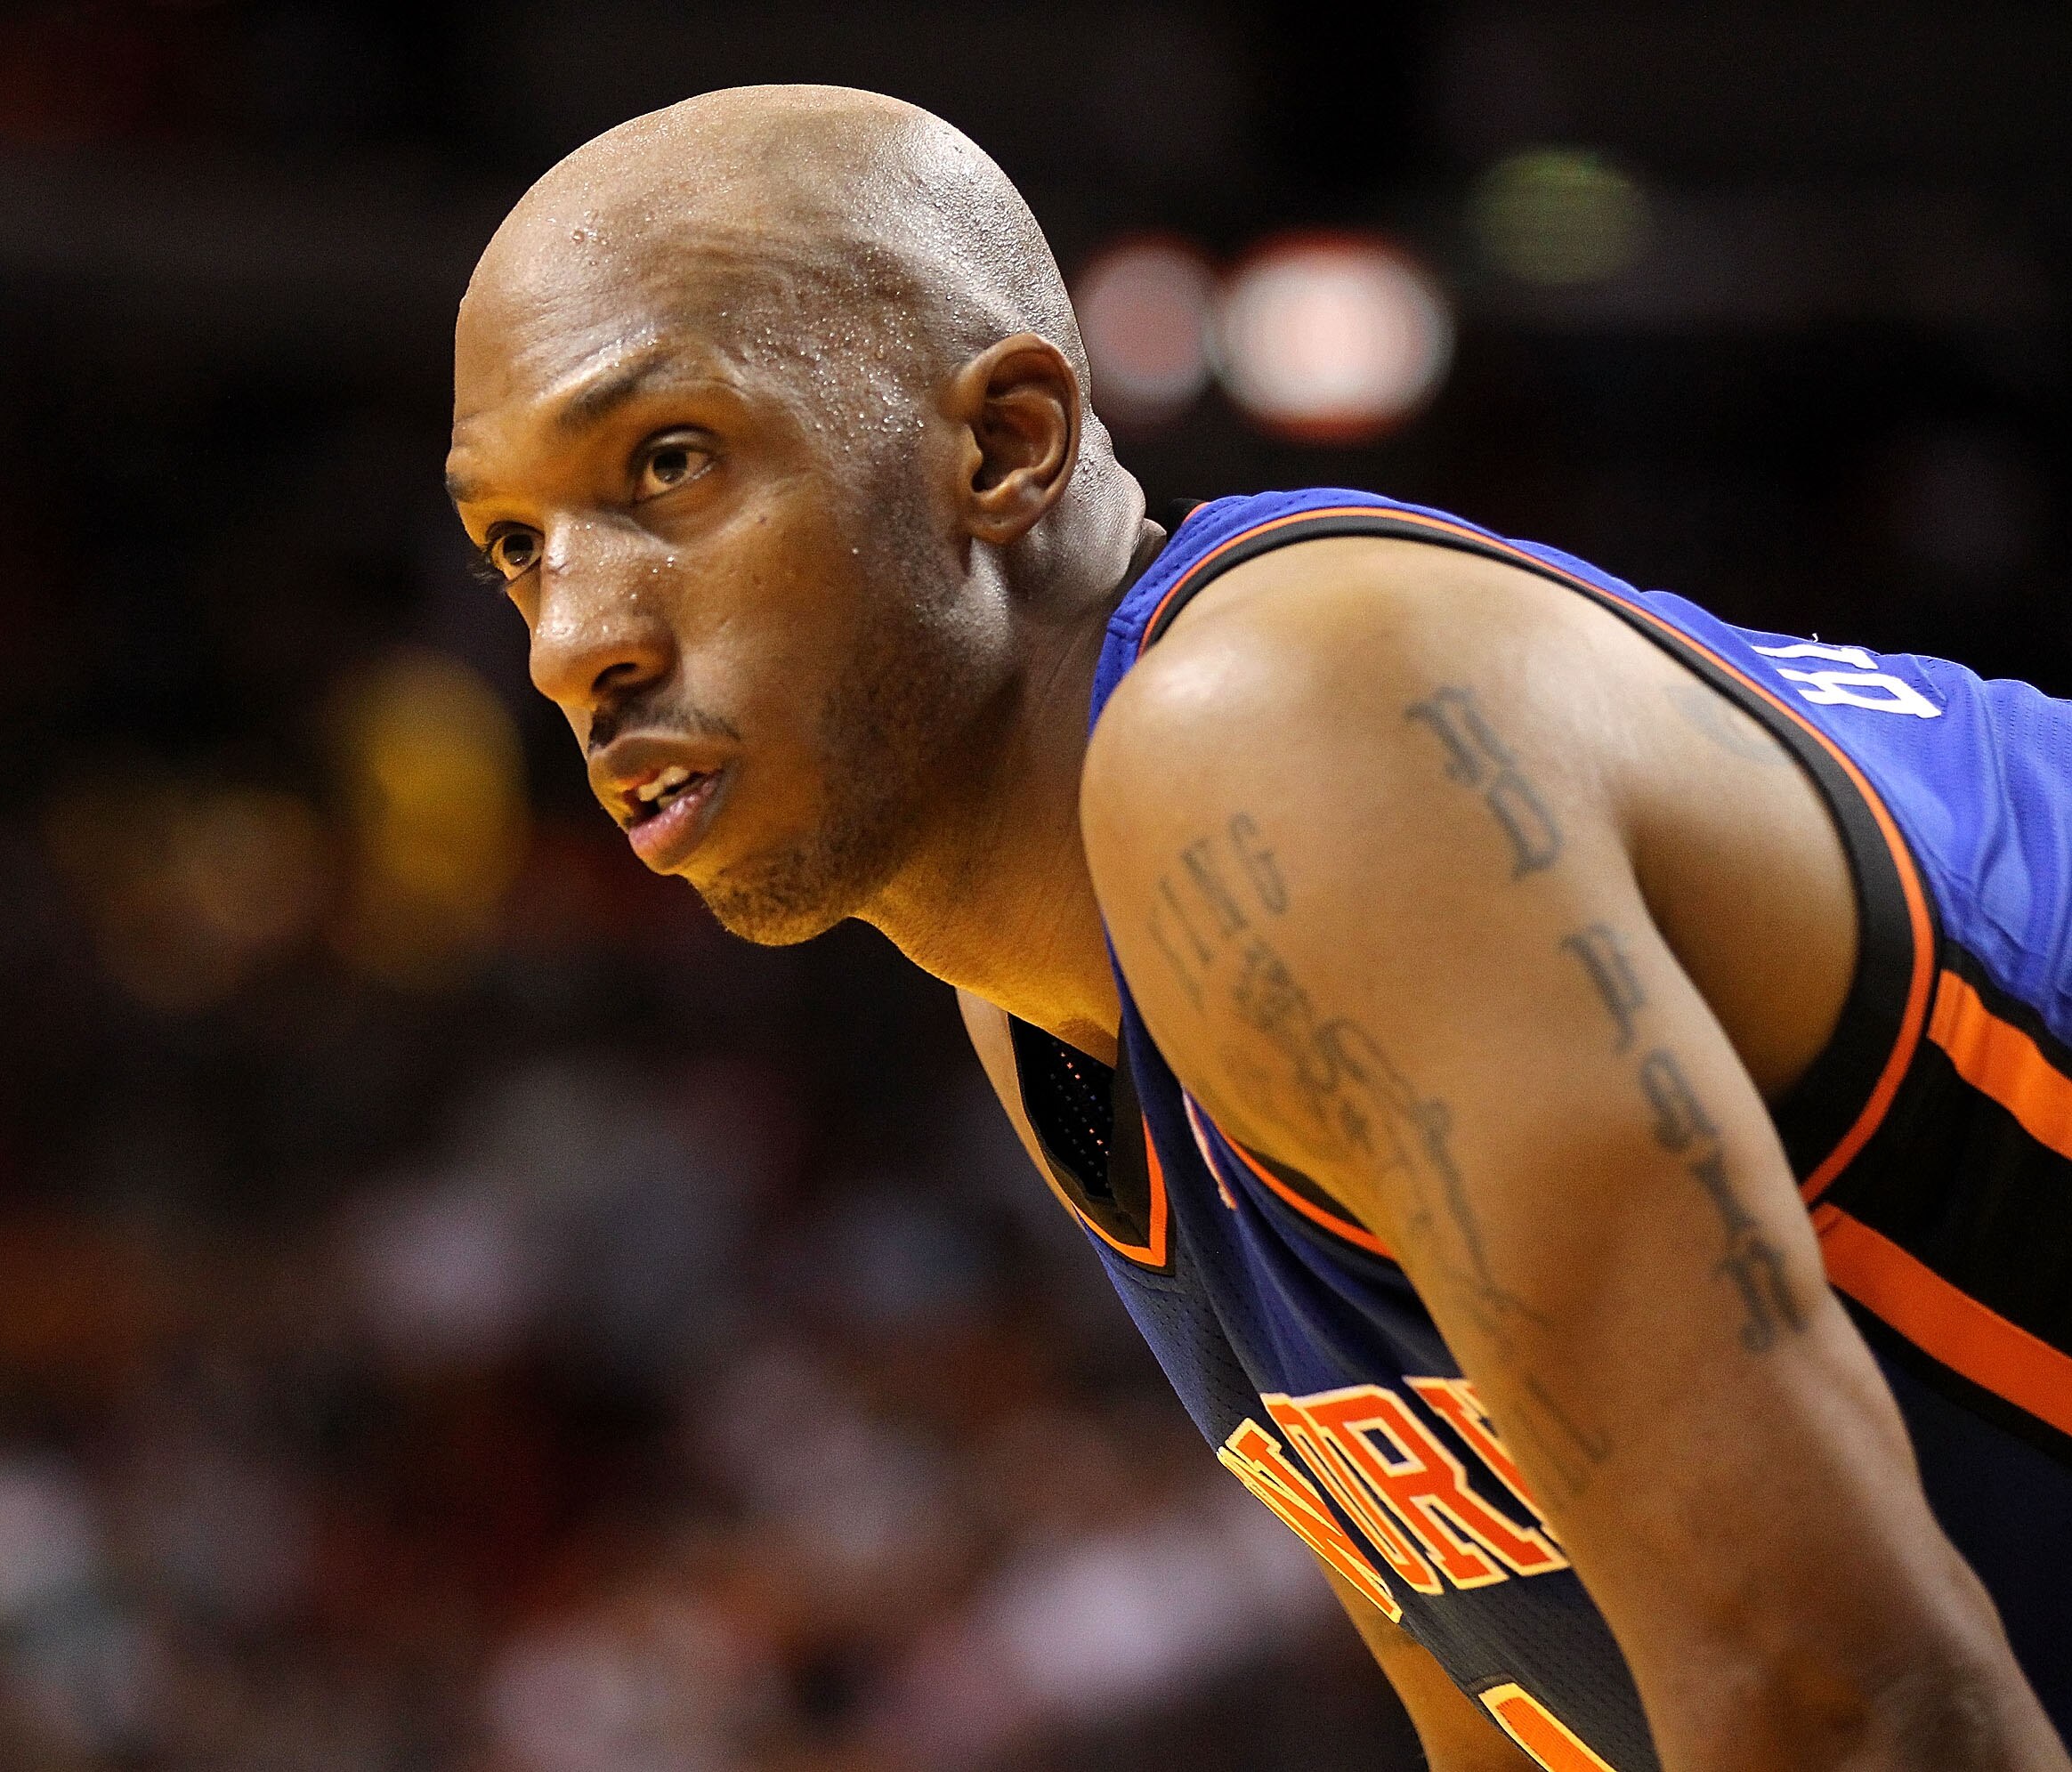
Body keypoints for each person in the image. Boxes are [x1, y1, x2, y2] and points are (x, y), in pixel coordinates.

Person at [441, 84, 2072, 1772]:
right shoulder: (1054, 1003)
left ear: (1002, 447)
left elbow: (1858, 1713)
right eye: (514, 544)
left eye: (670, 465)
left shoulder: (1290, 739)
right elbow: (1522, 1723)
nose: (570, 642)